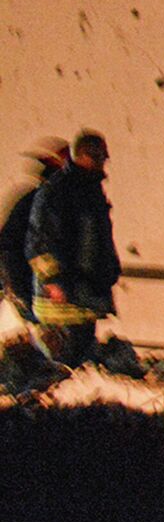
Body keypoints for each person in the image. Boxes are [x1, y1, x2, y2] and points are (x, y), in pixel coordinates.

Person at [25, 130, 122, 366]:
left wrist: (109, 272)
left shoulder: (88, 191)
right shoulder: (58, 192)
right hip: (62, 305)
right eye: (101, 154)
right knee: (65, 366)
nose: (106, 159)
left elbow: (97, 241)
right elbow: (39, 242)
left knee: (79, 364)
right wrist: (53, 280)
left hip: (83, 298)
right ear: (87, 155)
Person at [1, 140, 67, 324]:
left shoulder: (35, 202)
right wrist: (24, 296)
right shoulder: (40, 204)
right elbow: (9, 248)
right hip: (34, 292)